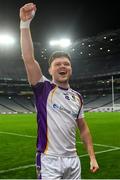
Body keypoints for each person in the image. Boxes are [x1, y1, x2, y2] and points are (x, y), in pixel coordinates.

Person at [19, 2, 99, 179]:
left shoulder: (77, 97)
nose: (63, 66)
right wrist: (24, 24)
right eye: (57, 64)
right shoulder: (43, 88)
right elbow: (28, 58)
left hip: (73, 161)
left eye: (66, 64)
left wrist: (92, 157)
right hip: (49, 160)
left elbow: (84, 129)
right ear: (50, 70)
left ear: (71, 69)